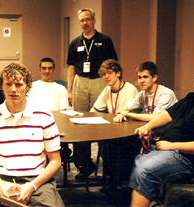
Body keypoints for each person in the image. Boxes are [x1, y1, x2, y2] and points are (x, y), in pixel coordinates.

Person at [0, 62, 64, 207]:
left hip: (36, 179)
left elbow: (55, 161)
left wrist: (32, 186)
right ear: (1, 86)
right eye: (8, 84)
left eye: (19, 85)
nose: (13, 89)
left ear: (28, 86)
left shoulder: (44, 116)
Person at [128, 62, 194, 207]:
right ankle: (152, 197)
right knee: (132, 156)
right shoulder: (192, 98)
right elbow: (168, 114)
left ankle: (149, 197)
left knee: (144, 170)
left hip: (191, 160)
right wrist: (148, 126)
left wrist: (171, 145)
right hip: (169, 150)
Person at [67, 8, 118, 180]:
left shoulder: (105, 40)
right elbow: (71, 67)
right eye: (81, 20)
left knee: (101, 121)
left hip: (99, 81)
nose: (85, 23)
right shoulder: (75, 42)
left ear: (94, 21)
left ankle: (109, 165)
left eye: (87, 19)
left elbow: (113, 64)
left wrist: (111, 84)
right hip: (80, 82)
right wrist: (69, 90)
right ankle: (85, 165)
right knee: (80, 122)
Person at [90, 59, 138, 188]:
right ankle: (111, 180)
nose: (106, 77)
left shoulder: (129, 89)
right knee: (106, 144)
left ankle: (120, 182)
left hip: (129, 132)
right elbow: (95, 109)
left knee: (113, 148)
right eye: (104, 74)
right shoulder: (107, 90)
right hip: (114, 130)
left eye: (109, 73)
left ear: (118, 73)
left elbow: (126, 113)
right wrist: (87, 118)